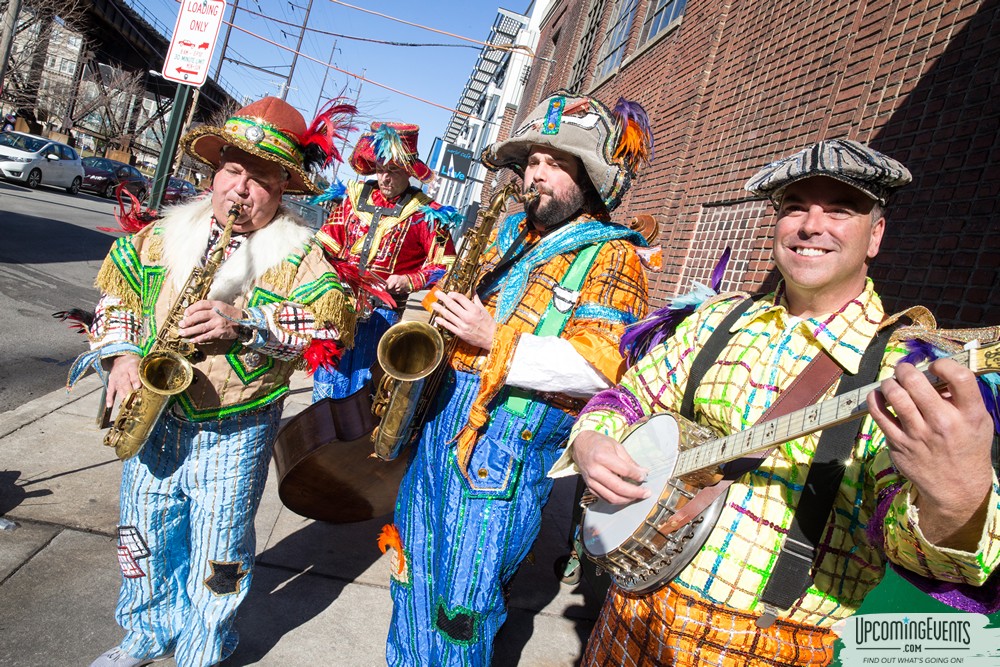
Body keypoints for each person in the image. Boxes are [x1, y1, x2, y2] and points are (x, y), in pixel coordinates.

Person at [559, 138, 1000, 666]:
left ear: (875, 234)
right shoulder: (713, 321)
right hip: (628, 615)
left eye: (840, 210)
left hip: (765, 645)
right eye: (796, 208)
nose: (812, 226)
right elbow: (629, 397)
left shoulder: (901, 369)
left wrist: (956, 499)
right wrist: (592, 438)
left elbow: (919, 553)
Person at [72, 97, 357, 667]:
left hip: (238, 424)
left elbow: (331, 325)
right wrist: (122, 358)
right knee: (143, 534)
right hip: (155, 415)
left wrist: (248, 325)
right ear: (215, 172)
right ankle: (146, 631)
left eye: (261, 179)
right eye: (232, 171)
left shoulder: (302, 255)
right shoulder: (158, 236)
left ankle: (204, 647)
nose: (241, 190)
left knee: (220, 549)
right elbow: (116, 298)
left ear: (282, 191)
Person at [380, 91, 654, 665]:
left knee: (460, 610)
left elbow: (603, 365)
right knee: (409, 576)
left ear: (590, 181)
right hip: (438, 430)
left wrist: (493, 338)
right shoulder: (505, 237)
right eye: (533, 161)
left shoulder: (615, 256)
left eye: (557, 163)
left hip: (499, 460)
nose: (537, 175)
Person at [312, 121, 458, 402]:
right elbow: (323, 248)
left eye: (393, 171)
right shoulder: (351, 199)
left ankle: (351, 445)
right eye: (380, 169)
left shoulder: (426, 214)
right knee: (327, 382)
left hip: (383, 316)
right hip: (336, 306)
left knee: (362, 389)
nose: (384, 178)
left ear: (408, 171)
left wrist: (410, 280)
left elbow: (446, 265)